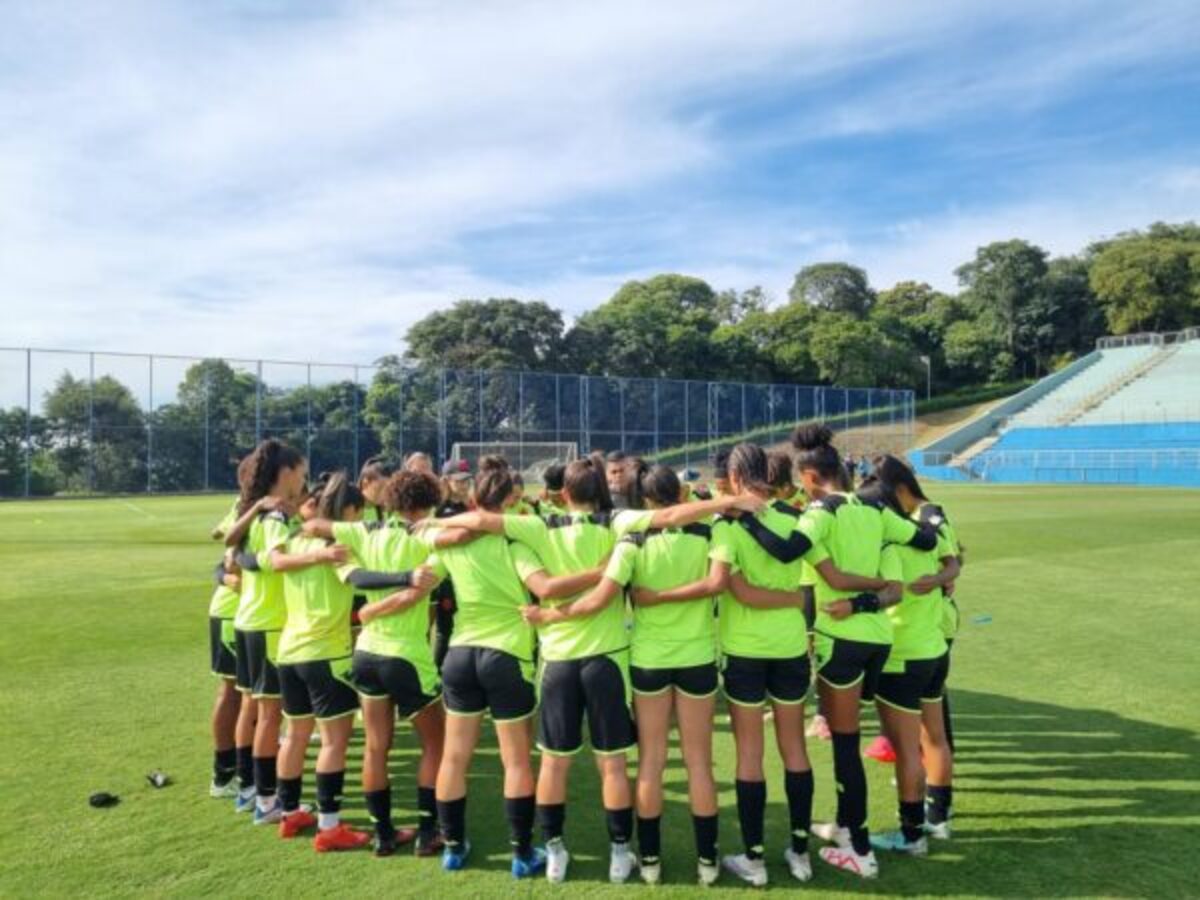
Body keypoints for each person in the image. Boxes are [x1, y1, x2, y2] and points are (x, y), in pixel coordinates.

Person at [423, 458, 757, 884]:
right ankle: (622, 854)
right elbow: (673, 515)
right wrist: (732, 500)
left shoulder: (539, 525)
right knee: (614, 765)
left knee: (554, 764)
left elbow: (484, 521)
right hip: (609, 659)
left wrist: (434, 526)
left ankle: (555, 853)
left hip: (557, 660)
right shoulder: (616, 521)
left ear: (562, 493)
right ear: (603, 488)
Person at [767, 424, 936, 880]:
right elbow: (925, 540)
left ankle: (859, 849)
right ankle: (845, 825)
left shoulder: (820, 513)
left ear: (808, 477)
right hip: (879, 638)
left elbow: (786, 551)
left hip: (841, 640)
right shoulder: (875, 510)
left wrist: (742, 517)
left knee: (845, 746)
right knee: (849, 736)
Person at [421, 458, 604, 876]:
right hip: (506, 657)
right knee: (517, 761)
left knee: (453, 757)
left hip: (460, 655)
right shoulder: (515, 544)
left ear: (471, 499)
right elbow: (546, 588)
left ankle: (452, 846)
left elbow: (422, 580)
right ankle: (522, 853)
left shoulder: (450, 545)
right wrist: (602, 572)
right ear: (510, 502)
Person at [301, 470, 464, 857]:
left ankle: (384, 836)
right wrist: (377, 608)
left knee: (376, 748)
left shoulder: (366, 532)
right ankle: (428, 833)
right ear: (430, 502)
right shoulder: (426, 537)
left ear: (390, 500)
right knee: (436, 744)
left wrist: (369, 611)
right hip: (405, 654)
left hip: (366, 655)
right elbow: (413, 594)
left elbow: (314, 525)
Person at [851, 459, 959, 858]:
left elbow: (889, 593)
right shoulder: (932, 528)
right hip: (934, 648)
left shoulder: (891, 541)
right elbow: (954, 563)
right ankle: (939, 819)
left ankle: (912, 835)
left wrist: (854, 604)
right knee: (935, 737)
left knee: (906, 747)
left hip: (901, 655)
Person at [272, 472, 374, 852]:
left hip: (289, 651)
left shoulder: (294, 539)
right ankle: (329, 827)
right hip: (326, 655)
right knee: (334, 741)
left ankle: (289, 813)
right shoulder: (339, 545)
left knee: (295, 735)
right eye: (358, 512)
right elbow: (362, 581)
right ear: (348, 510)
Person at [223, 439, 308, 823]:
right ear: (286, 473)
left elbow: (234, 552)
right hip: (271, 623)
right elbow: (278, 561)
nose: (302, 481)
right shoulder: (273, 518)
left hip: (247, 619)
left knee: (252, 708)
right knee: (272, 714)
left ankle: (248, 789)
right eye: (301, 473)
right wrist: (318, 555)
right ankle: (267, 801)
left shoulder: (257, 513)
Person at [207, 499, 243, 799]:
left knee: (252, 696)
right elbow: (226, 563)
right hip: (234, 613)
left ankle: (246, 772)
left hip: (248, 615)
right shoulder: (254, 510)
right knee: (232, 692)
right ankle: (223, 775)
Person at [432, 460, 473, 672]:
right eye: (459, 481)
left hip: (467, 575)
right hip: (446, 576)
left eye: (467, 480)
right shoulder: (439, 510)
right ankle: (437, 673)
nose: (464, 484)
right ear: (446, 481)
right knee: (444, 630)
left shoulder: (470, 506)